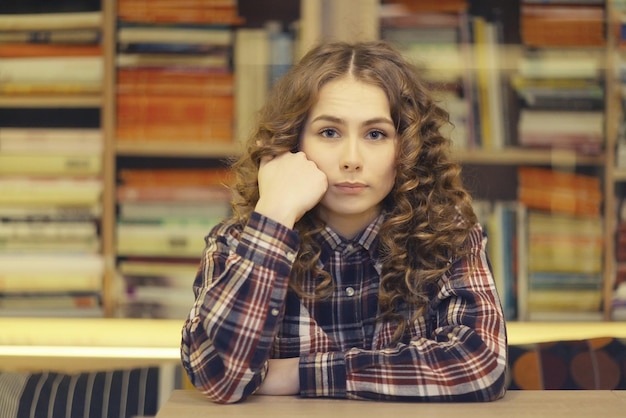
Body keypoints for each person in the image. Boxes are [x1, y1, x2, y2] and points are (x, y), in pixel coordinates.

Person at [180, 40, 507, 404]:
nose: (351, 159)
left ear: (407, 147)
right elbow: (219, 377)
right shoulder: (237, 242)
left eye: (375, 134)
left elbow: (481, 364)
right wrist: (274, 214)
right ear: (292, 143)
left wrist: (298, 373)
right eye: (329, 132)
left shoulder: (449, 239)